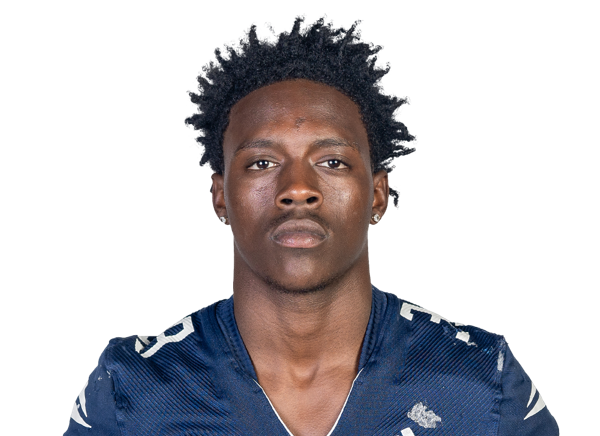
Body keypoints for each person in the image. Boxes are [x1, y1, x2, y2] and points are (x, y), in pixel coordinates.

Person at [64, 14, 559, 436]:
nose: (298, 188)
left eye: (332, 162)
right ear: (220, 196)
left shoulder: (481, 383)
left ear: (378, 194)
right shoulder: (133, 390)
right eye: (261, 163)